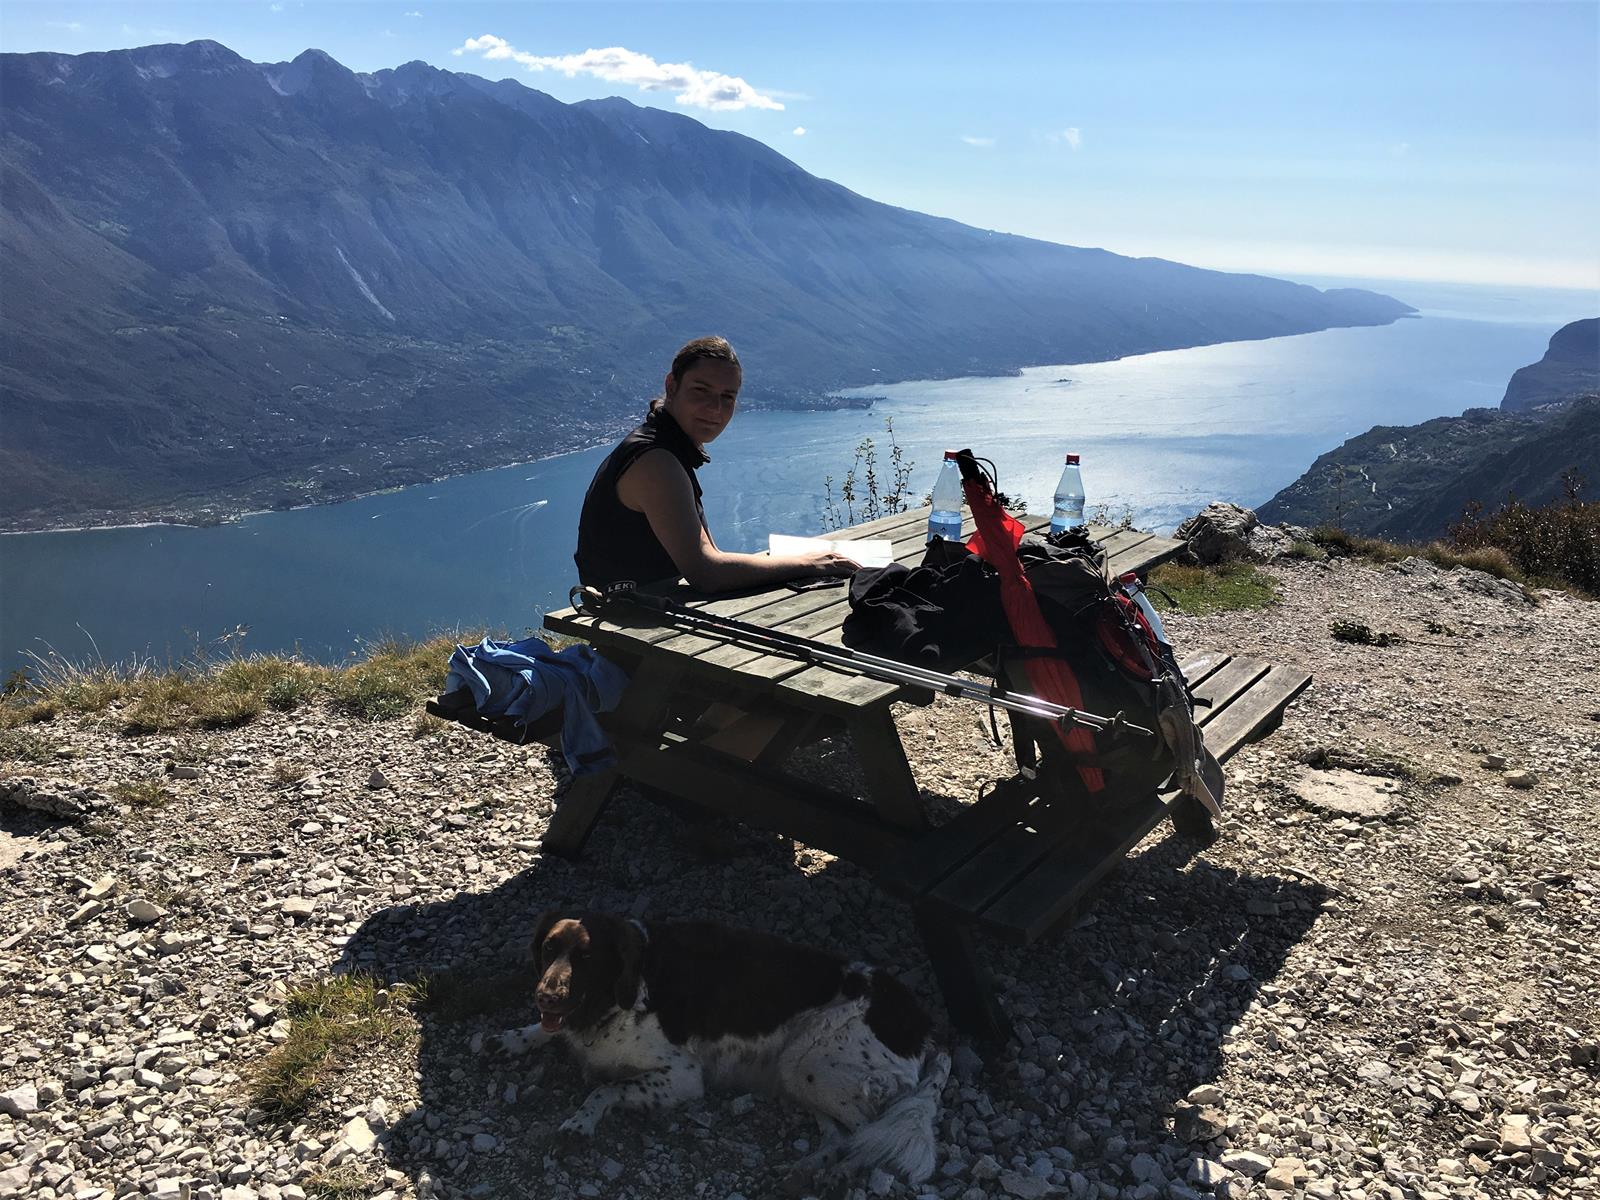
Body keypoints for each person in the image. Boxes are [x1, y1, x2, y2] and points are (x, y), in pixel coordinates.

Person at [575, 336, 858, 592]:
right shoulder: (655, 461)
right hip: (627, 624)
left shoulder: (665, 445)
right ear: (671, 385)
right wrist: (810, 563)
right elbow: (707, 572)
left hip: (643, 609)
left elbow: (707, 557)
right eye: (701, 390)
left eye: (727, 397)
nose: (715, 409)